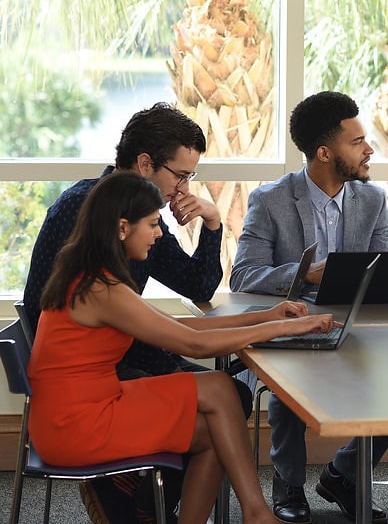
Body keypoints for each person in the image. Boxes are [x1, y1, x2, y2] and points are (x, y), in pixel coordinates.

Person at [28, 172, 338, 524]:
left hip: (83, 407)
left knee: (217, 431)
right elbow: (193, 343)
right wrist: (285, 327)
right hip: (75, 423)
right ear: (121, 228)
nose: (159, 233)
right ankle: (257, 513)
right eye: (153, 224)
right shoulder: (102, 289)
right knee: (221, 395)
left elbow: (182, 328)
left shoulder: (94, 275)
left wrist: (266, 316)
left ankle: (254, 513)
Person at [231, 91, 388, 523]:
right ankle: (288, 482)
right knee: (286, 391)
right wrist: (305, 276)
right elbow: (243, 275)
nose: (369, 149)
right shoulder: (270, 200)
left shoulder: (372, 199)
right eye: (357, 142)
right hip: (292, 325)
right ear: (324, 153)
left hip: (356, 323)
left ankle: (346, 472)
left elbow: (384, 270)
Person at [21, 102, 250, 522]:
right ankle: (131, 499)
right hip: (91, 368)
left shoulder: (141, 213)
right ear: (145, 163)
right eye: (180, 175)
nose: (183, 189)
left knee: (231, 395)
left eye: (190, 178)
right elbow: (51, 316)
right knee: (224, 401)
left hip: (119, 352)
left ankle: (143, 497)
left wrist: (213, 224)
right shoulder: (88, 209)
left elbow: (197, 286)